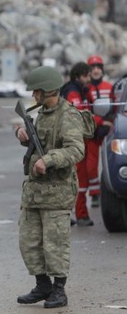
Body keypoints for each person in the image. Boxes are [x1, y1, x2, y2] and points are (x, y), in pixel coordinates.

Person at [14, 66, 85, 308]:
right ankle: (42, 285)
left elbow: (76, 150)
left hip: (57, 190)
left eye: (36, 91)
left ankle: (59, 290)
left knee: (56, 242)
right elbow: (39, 143)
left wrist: (49, 159)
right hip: (35, 191)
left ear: (48, 90)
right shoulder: (42, 113)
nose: (33, 96)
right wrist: (23, 136)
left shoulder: (69, 116)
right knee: (30, 241)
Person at [60, 62, 97, 226]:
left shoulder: (79, 91)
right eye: (86, 76)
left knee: (73, 180)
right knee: (77, 180)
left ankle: (70, 214)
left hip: (76, 141)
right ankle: (80, 214)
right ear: (78, 76)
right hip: (75, 142)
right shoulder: (73, 93)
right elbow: (78, 116)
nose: (89, 79)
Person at [86, 55, 115, 207]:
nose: (96, 70)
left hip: (108, 130)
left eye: (98, 67)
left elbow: (115, 107)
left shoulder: (109, 87)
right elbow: (85, 110)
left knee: (112, 160)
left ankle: (111, 189)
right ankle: (95, 193)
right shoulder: (85, 88)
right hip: (92, 131)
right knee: (91, 166)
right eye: (93, 68)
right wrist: (98, 123)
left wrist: (108, 123)